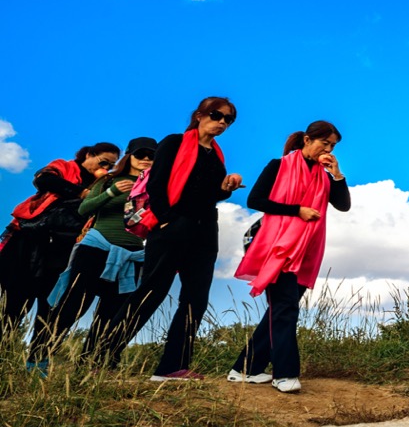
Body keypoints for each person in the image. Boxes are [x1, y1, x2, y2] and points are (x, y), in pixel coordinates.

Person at [110, 97, 245, 381]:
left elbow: (210, 195)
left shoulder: (216, 156)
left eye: (228, 119)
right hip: (172, 227)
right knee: (150, 292)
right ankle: (102, 356)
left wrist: (225, 187)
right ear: (199, 115)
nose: (221, 122)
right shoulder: (173, 143)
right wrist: (167, 220)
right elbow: (157, 184)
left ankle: (172, 366)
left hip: (206, 229)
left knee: (196, 299)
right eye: (216, 115)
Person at [228, 121, 351, 393]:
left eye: (332, 146)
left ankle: (243, 369)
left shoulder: (323, 175)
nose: (327, 149)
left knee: (281, 309)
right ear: (307, 140)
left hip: (307, 249)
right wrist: (298, 210)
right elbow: (255, 200)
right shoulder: (278, 165)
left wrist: (337, 175)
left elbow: (343, 206)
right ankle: (285, 374)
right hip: (278, 246)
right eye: (324, 143)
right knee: (286, 309)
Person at [29, 138, 157, 368]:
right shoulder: (110, 179)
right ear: (129, 156)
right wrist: (112, 192)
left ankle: (90, 365)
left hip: (132, 255)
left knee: (111, 313)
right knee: (73, 306)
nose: (146, 159)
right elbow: (84, 208)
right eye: (141, 154)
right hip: (96, 248)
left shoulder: (157, 187)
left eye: (152, 155)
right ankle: (38, 359)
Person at [1, 141, 120, 359]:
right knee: (14, 301)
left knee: (51, 305)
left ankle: (38, 359)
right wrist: (81, 192)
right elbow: (43, 179)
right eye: (104, 162)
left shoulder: (103, 184)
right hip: (30, 239)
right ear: (89, 155)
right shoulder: (65, 167)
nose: (107, 168)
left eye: (111, 166)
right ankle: (4, 356)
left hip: (66, 248)